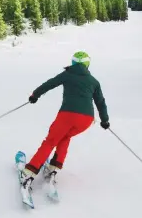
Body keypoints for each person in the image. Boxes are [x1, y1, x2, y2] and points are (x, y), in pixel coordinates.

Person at [20, 51, 110, 189]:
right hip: (86, 120)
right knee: (65, 137)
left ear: (73, 63)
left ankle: (29, 171)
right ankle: (54, 167)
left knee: (51, 141)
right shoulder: (93, 81)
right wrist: (104, 120)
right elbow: (101, 102)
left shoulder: (68, 75)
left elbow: (49, 84)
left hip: (67, 115)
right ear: (87, 64)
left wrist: (35, 95)